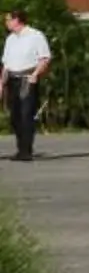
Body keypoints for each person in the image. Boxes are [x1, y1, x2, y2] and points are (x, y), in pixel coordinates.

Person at [2, 9, 49, 162]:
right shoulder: (10, 39)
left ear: (17, 20)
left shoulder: (36, 36)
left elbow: (44, 58)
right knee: (15, 116)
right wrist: (1, 83)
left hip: (27, 78)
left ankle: (26, 150)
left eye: (8, 20)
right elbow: (6, 64)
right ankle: (20, 147)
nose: (6, 23)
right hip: (12, 79)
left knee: (26, 114)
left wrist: (35, 74)